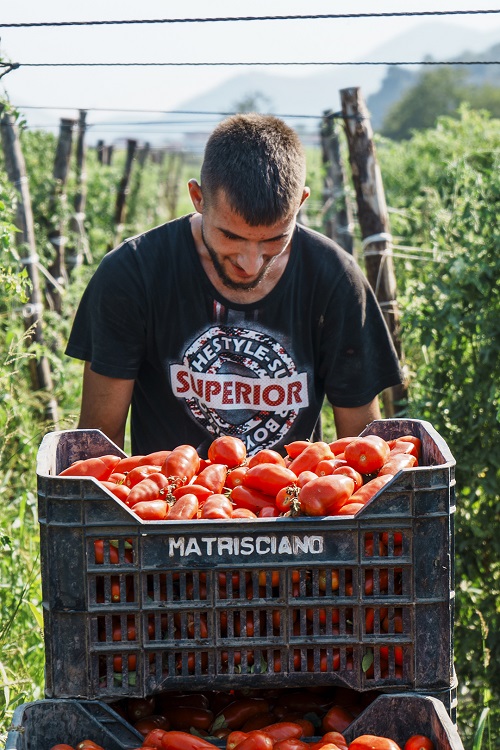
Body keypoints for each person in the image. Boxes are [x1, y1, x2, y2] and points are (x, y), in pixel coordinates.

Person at [66, 113, 403, 457]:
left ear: (300, 203)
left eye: (274, 239)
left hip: (290, 505)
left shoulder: (334, 280)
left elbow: (364, 453)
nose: (250, 262)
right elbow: (98, 448)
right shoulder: (132, 274)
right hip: (167, 502)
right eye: (230, 236)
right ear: (198, 198)